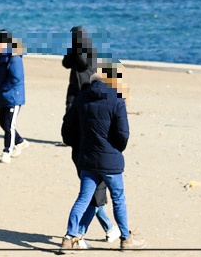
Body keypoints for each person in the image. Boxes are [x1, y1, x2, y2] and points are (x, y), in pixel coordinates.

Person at [59, 59, 145, 252]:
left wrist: (76, 143)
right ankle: (125, 238)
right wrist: (116, 149)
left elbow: (68, 125)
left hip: (87, 158)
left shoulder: (82, 97)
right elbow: (123, 134)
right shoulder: (116, 100)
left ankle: (69, 237)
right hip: (110, 160)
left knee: (84, 198)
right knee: (118, 199)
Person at [62, 26, 120, 246]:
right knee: (93, 192)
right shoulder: (93, 60)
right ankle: (80, 234)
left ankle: (91, 231)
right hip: (97, 147)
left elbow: (68, 63)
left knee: (91, 191)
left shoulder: (79, 62)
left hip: (83, 142)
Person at [0, 28, 28, 164]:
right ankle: (20, 142)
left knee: (9, 125)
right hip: (2, 95)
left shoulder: (14, 56)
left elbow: (16, 77)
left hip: (13, 96)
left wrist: (4, 89)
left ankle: (7, 150)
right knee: (3, 123)